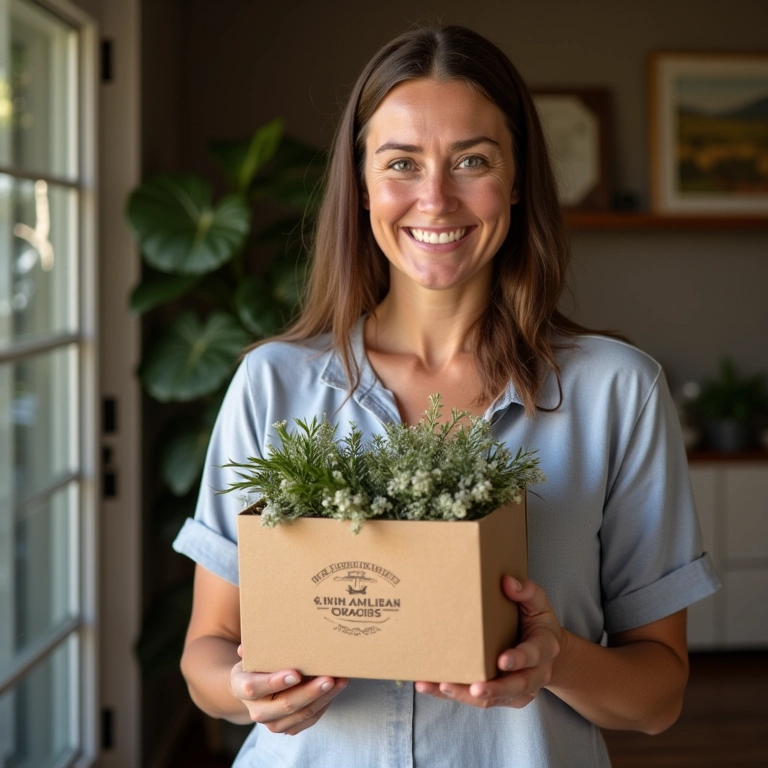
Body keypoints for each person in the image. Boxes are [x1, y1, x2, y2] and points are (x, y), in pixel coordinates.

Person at [172, 25, 721, 767]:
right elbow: (206, 654)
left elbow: (659, 698)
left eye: (472, 160)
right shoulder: (274, 383)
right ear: (362, 185)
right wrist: (247, 689)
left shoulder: (618, 391)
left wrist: (555, 661)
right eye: (401, 163)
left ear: (519, 179)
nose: (435, 198)